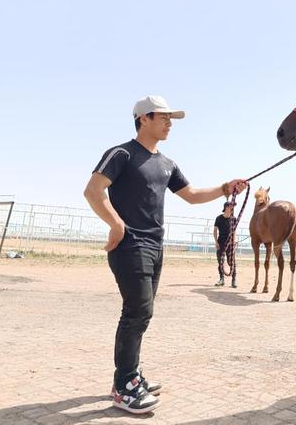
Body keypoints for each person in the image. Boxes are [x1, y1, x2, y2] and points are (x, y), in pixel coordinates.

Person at [83, 95, 247, 414]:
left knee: (142, 314)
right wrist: (116, 224)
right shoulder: (121, 153)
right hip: (130, 245)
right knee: (137, 312)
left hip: (156, 246)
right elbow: (93, 190)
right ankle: (124, 384)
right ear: (143, 118)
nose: (170, 122)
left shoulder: (167, 164)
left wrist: (226, 187)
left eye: (172, 118)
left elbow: (192, 195)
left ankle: (129, 376)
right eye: (164, 117)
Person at [213, 201, 237, 287]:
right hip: (221, 242)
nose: (232, 208)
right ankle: (221, 279)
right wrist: (216, 242)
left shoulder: (233, 219)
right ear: (226, 207)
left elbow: (234, 232)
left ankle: (234, 280)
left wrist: (235, 241)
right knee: (220, 262)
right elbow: (215, 230)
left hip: (230, 243)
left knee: (231, 261)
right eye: (230, 207)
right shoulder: (218, 218)